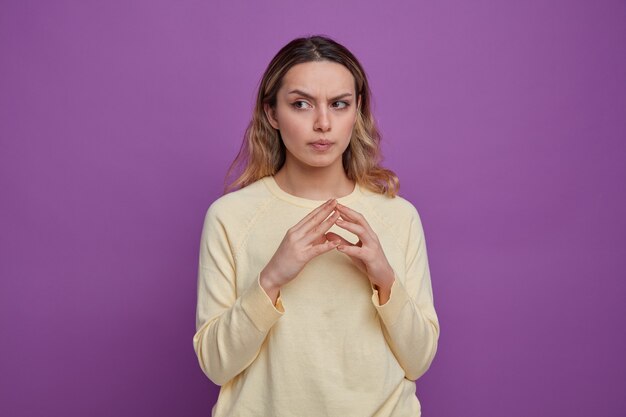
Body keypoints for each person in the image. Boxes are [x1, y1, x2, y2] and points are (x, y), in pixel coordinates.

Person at [193, 35, 440, 417]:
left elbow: (418, 360)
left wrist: (384, 278)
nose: (323, 123)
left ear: (357, 110)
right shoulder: (230, 216)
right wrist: (271, 279)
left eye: (339, 104)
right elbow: (215, 365)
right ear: (272, 113)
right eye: (301, 104)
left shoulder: (399, 216)